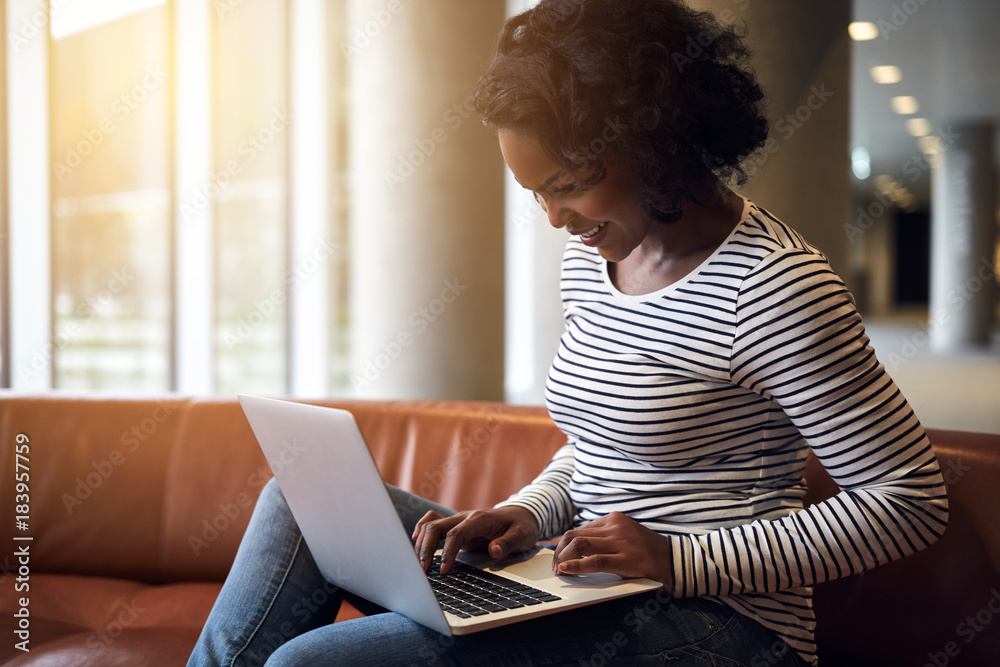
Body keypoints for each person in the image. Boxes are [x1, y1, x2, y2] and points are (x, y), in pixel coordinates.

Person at [188, 1, 949, 665]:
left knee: (308, 662)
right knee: (296, 502)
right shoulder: (595, 257)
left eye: (568, 185)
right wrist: (530, 510)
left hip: (727, 628)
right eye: (537, 193)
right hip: (584, 583)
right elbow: (599, 446)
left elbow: (909, 500)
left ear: (657, 139)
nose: (556, 219)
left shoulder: (776, 287)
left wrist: (676, 559)